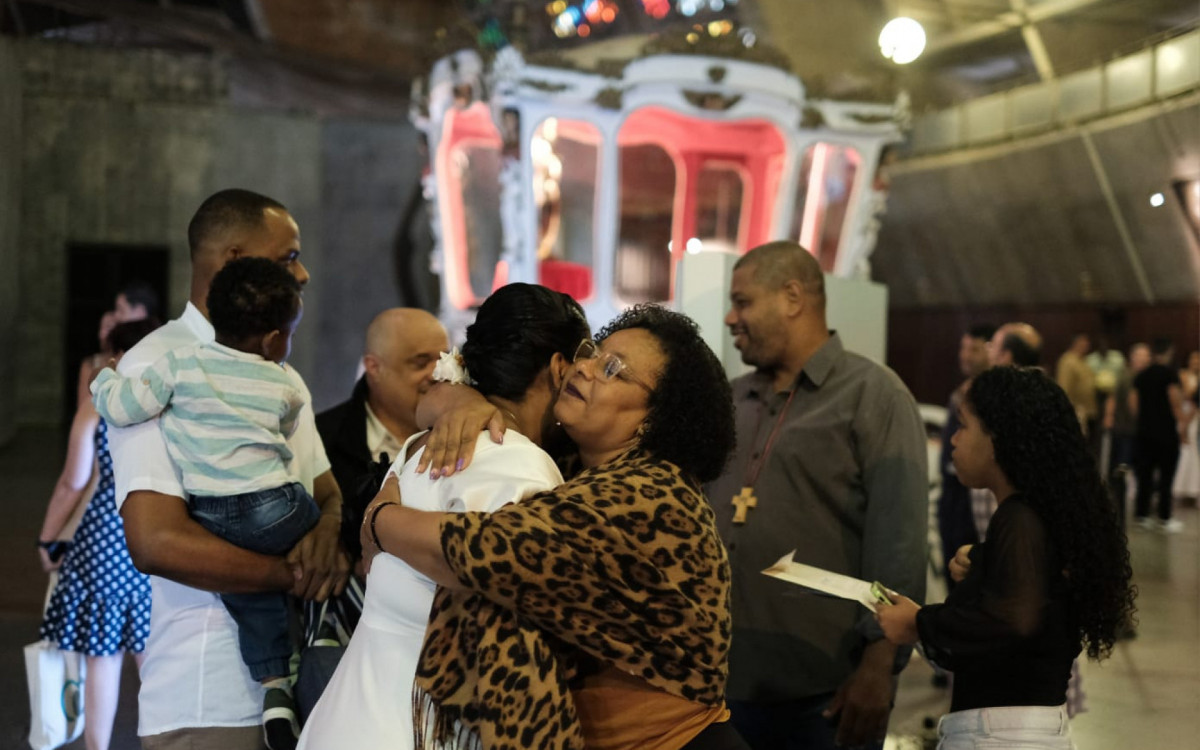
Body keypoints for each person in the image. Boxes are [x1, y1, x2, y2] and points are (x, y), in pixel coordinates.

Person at [361, 305, 744, 750]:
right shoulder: (580, 464)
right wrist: (458, 399)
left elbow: (481, 551)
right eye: (593, 352)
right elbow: (436, 401)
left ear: (655, 418)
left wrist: (380, 519)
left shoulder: (651, 494)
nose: (583, 367)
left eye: (613, 369)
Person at [298, 283, 589, 750]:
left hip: (349, 717)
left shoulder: (419, 446)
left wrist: (380, 520)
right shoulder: (519, 467)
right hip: (421, 729)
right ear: (559, 369)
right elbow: (506, 644)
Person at [108, 189, 348, 750]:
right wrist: (295, 576)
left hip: (300, 687)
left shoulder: (270, 364)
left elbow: (326, 493)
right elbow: (156, 542)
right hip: (208, 693)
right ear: (238, 262)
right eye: (289, 256)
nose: (304, 272)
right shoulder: (157, 363)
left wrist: (331, 531)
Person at [705, 240, 928, 750]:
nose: (729, 317)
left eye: (742, 301)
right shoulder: (731, 399)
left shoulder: (873, 396)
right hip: (717, 687)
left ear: (791, 297)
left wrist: (879, 670)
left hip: (823, 692)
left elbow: (899, 544)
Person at [876, 366, 1136, 750]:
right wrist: (984, 561)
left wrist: (918, 622)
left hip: (1001, 736)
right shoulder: (1039, 517)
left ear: (997, 439)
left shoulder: (1019, 518)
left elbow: (1015, 619)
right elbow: (1037, 592)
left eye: (964, 427)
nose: (953, 441)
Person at [37, 318, 159, 750]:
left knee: (102, 659)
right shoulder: (166, 396)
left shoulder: (100, 401)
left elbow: (74, 481)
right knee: (156, 658)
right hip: (156, 532)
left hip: (105, 538)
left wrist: (48, 538)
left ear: (115, 357)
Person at [316, 307, 449, 569]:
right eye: (420, 362)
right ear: (374, 367)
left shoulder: (467, 432)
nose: (438, 374)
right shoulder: (322, 441)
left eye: (444, 359)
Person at [938, 325, 994, 592]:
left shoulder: (992, 401)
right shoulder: (959, 393)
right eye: (963, 347)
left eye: (974, 349)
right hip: (952, 498)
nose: (966, 355)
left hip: (975, 497)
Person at [1131, 338, 1186, 532]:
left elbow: (1134, 404)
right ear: (1169, 352)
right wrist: (1183, 425)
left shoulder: (1141, 375)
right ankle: (1164, 516)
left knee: (1144, 474)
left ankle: (1141, 514)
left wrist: (1144, 421)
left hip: (1144, 432)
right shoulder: (1170, 374)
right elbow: (1175, 401)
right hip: (1166, 433)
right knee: (1166, 476)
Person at [1055, 334, 1095, 435]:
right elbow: (1064, 387)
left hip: (1087, 411)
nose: (1086, 346)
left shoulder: (1082, 360)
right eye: (1083, 343)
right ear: (1076, 344)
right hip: (1076, 411)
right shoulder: (1068, 361)